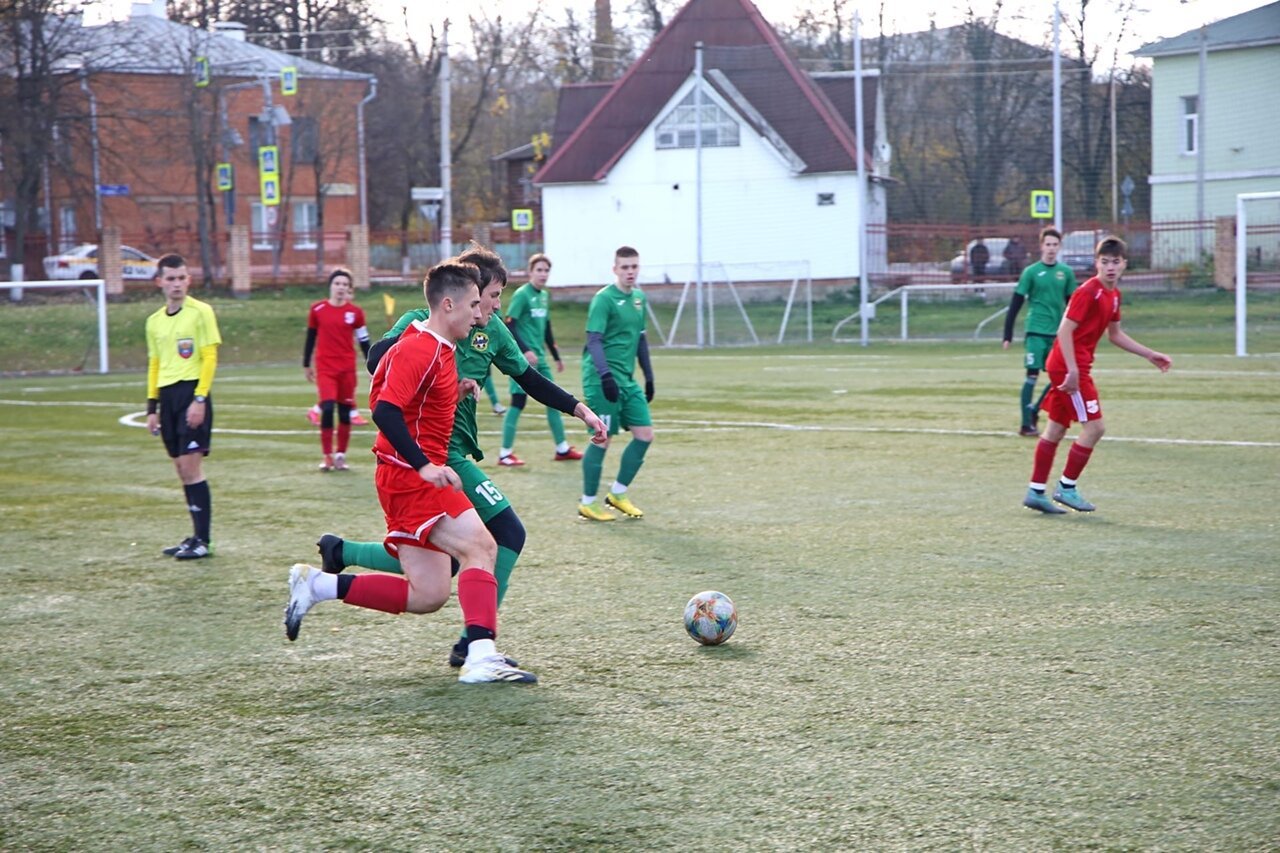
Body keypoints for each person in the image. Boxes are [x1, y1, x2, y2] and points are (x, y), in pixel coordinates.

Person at [314, 243, 607, 668]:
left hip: (446, 452)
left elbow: (529, 379)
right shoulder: (425, 327)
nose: (491, 307)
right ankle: (476, 643)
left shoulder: (491, 331)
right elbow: (378, 363)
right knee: (503, 535)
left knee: (440, 573)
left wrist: (579, 409)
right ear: (469, 293)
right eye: (490, 297)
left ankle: (341, 554)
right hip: (438, 455)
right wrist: (422, 360)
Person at [283, 259, 537, 684]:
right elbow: (384, 410)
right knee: (482, 546)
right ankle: (480, 656)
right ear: (449, 304)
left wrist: (456, 390)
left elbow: (412, 402)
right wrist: (425, 466)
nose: (479, 315)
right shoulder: (418, 347)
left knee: (429, 594)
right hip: (410, 478)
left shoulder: (440, 349)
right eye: (475, 305)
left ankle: (317, 586)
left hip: (405, 477)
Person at [1022, 235, 1172, 514]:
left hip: (1069, 364)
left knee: (1056, 427)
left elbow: (1115, 334)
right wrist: (1074, 370)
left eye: (1115, 262)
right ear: (1096, 264)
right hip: (1069, 365)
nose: (1110, 267)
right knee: (1095, 427)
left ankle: (1036, 490)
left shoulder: (1114, 295)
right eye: (1104, 262)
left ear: (1124, 264)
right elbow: (1064, 330)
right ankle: (1066, 487)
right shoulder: (1088, 291)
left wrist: (1149, 354)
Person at [145, 253, 221, 560]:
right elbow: (154, 363)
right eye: (170, 278)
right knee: (181, 470)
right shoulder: (154, 322)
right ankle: (194, 537)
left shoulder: (201, 312)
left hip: (192, 393)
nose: (176, 284)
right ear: (160, 282)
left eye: (181, 278)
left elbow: (210, 357)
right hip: (167, 398)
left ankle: (204, 540)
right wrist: (151, 408)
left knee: (192, 467)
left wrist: (200, 399)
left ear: (188, 280)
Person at [577, 245, 655, 522]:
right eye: (625, 267)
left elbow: (641, 339)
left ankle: (618, 493)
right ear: (615, 269)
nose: (630, 272)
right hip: (601, 379)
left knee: (645, 434)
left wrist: (649, 375)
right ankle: (587, 502)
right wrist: (605, 375)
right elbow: (594, 340)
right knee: (602, 437)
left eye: (634, 266)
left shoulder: (639, 299)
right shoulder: (604, 299)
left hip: (627, 379)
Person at [497, 252, 582, 466]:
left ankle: (562, 449)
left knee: (554, 400)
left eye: (546, 270)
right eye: (539, 270)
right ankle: (504, 453)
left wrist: (556, 356)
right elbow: (510, 324)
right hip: (523, 360)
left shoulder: (544, 296)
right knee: (518, 402)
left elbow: (547, 329)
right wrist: (524, 350)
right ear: (530, 272)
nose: (543, 274)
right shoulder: (522, 295)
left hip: (541, 359)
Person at [1003, 227, 1078, 437]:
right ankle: (1026, 424)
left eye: (1055, 245)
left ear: (1059, 247)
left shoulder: (1066, 273)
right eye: (1048, 244)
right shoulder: (1031, 272)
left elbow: (1073, 306)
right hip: (1035, 331)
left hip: (1057, 334)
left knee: (1060, 379)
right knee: (1032, 376)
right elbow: (1015, 303)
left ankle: (1035, 409)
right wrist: (1007, 333)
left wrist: (1077, 333)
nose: (1051, 248)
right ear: (1041, 246)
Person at [303, 268, 371, 471]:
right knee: (327, 406)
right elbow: (310, 338)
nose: (340, 288)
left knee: (344, 412)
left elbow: (364, 341)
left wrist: (372, 365)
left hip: (347, 369)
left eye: (345, 285)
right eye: (337, 283)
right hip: (325, 368)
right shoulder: (317, 310)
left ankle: (340, 454)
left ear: (348, 289)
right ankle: (327, 456)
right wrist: (306, 364)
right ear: (330, 286)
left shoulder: (356, 313)